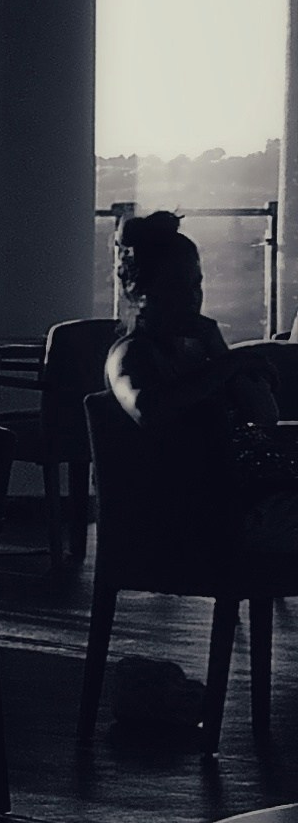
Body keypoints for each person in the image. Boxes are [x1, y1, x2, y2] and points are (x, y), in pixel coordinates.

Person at [106, 210, 298, 567]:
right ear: (141, 290)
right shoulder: (128, 354)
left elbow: (265, 415)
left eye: (197, 284)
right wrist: (230, 365)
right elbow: (146, 408)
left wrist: (219, 351)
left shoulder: (200, 355)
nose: (193, 297)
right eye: (179, 286)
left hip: (230, 507)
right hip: (191, 521)